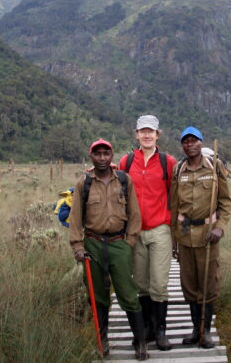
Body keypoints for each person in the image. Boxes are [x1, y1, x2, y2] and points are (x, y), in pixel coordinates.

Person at [69, 139, 148, 360]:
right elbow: (75, 218)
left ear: (111, 156)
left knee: (128, 293)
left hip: (118, 243)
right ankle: (102, 341)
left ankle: (140, 343)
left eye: (106, 153)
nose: (102, 158)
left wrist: (129, 242)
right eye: (98, 154)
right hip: (92, 243)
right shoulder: (83, 183)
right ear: (91, 157)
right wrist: (77, 246)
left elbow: (134, 214)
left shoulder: (124, 180)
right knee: (97, 295)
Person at [118, 115, 177, 351]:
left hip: (160, 229)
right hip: (135, 231)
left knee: (159, 284)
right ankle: (146, 329)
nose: (146, 135)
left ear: (157, 135)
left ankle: (160, 330)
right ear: (136, 134)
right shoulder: (126, 161)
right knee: (141, 283)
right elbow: (116, 186)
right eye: (142, 131)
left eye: (151, 131)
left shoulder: (167, 162)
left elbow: (176, 191)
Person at [170, 126, 231, 349]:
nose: (189, 144)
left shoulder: (215, 167)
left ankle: (206, 330)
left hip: (208, 236)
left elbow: (225, 202)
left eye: (193, 140)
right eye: (185, 141)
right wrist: (173, 239)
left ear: (201, 143)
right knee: (189, 285)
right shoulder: (179, 170)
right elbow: (173, 206)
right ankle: (195, 328)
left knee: (208, 284)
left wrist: (220, 227)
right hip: (185, 236)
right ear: (182, 146)